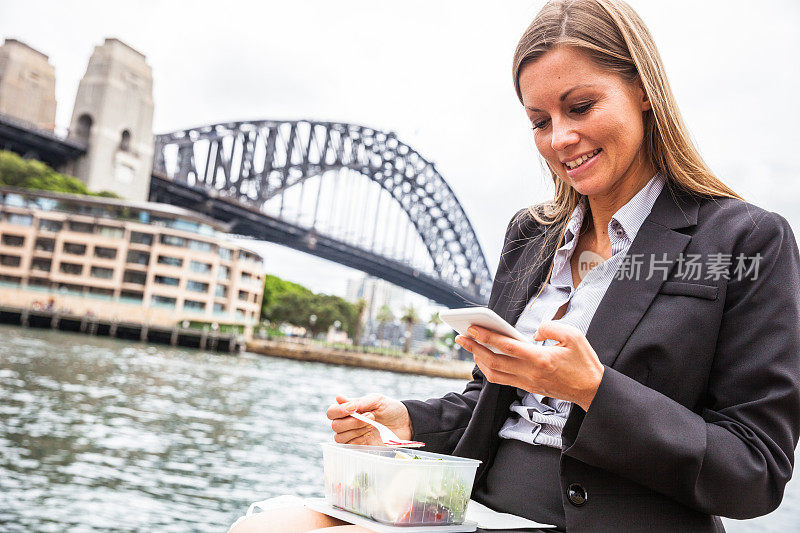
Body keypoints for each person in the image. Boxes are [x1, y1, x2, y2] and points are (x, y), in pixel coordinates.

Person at [230, 0, 800, 531]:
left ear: (643, 90)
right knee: (269, 524)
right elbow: (495, 401)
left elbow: (754, 473)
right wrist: (408, 420)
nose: (560, 139)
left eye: (581, 107)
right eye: (539, 120)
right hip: (472, 512)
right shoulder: (532, 235)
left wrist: (595, 392)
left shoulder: (747, 240)